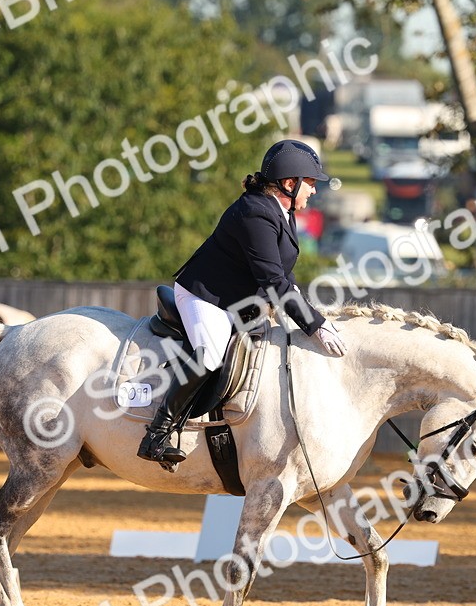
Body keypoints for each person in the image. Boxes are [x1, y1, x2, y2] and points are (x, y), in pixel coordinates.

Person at [137, 139, 348, 466]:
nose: (314, 191)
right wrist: (315, 325)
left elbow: (281, 276)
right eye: (310, 183)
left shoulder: (283, 211)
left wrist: (310, 316)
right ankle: (157, 434)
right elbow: (274, 281)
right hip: (206, 295)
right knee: (209, 355)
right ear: (289, 184)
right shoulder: (255, 213)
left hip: (236, 301)